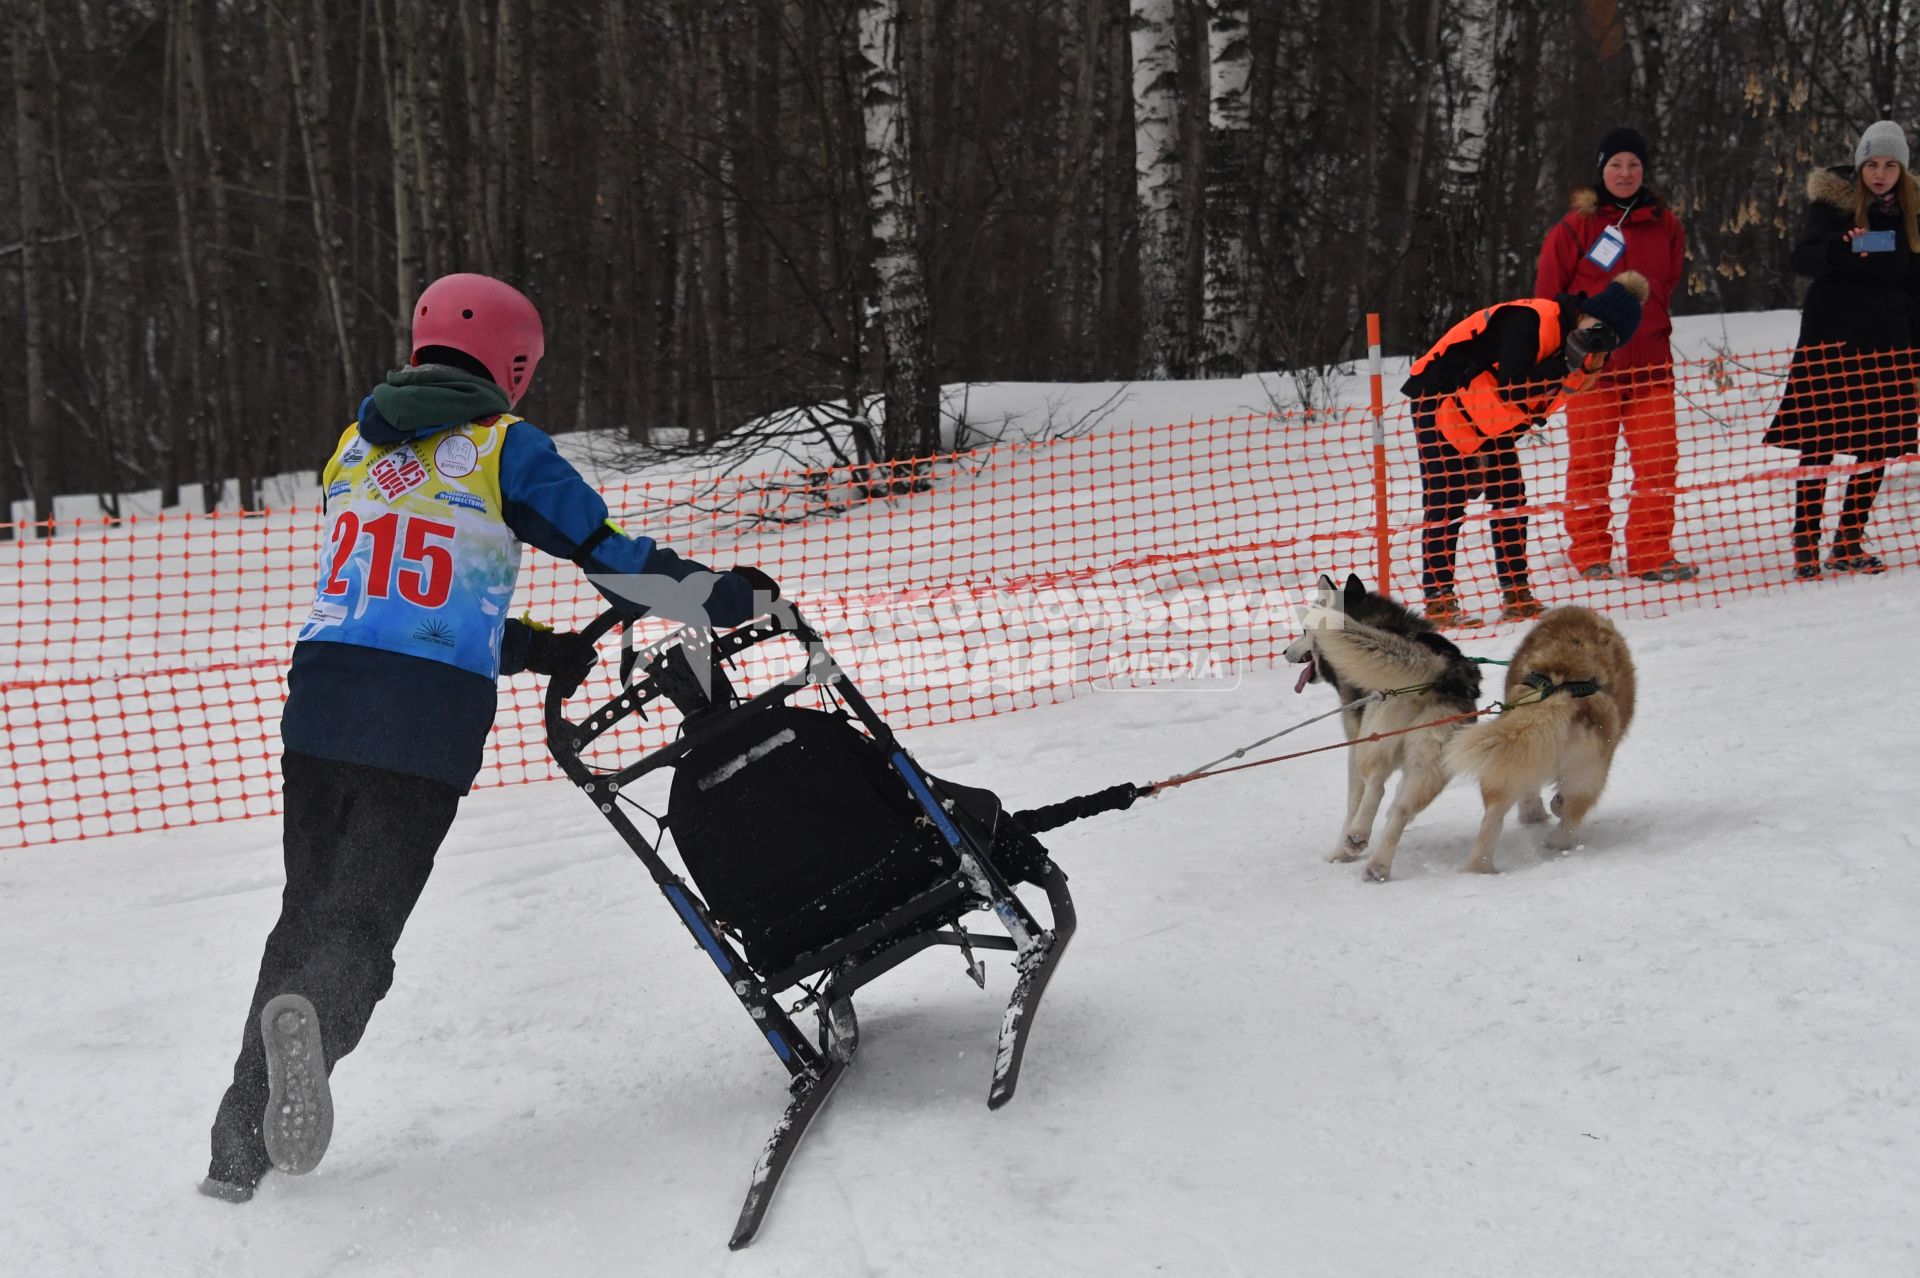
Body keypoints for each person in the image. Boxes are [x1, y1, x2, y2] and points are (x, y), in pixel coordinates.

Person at [201, 273, 780, 1203]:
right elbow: (616, 562)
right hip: (421, 722)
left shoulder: (353, 447)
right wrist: (727, 595)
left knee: (307, 914)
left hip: (319, 705)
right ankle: (313, 1025)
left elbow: (395, 584)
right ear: (512, 362)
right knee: (361, 928)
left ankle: (239, 1148)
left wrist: (535, 648)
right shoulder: (506, 447)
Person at [1401, 272, 1648, 625]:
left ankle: (1517, 595)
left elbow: (1531, 405)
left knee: (1511, 499)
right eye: (1599, 332)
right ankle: (1439, 603)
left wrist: (1485, 455)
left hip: (1489, 413)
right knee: (1447, 503)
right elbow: (1514, 387)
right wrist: (1563, 364)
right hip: (1440, 396)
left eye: (1609, 343)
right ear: (1587, 315)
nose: (1600, 346)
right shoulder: (1532, 319)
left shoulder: (1575, 349)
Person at [1535, 126, 1694, 583]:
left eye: (1634, 165)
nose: (1625, 173)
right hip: (1592, 371)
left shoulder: (1667, 225)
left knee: (1659, 463)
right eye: (1616, 165)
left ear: (1644, 171)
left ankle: (1651, 552)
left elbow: (1668, 284)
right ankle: (1589, 552)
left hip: (1650, 368)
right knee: (1590, 464)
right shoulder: (1574, 228)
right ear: (1601, 170)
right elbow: (1548, 299)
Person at [1766, 120, 1920, 577]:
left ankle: (1849, 540)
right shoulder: (1832, 203)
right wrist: (1839, 249)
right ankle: (1805, 544)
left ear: (1902, 170)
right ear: (1859, 164)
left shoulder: (1912, 213)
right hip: (1831, 338)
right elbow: (1802, 259)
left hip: (1889, 341)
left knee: (1876, 445)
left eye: (1890, 165)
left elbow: (1914, 283)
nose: (1880, 173)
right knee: (1819, 442)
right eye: (1872, 163)